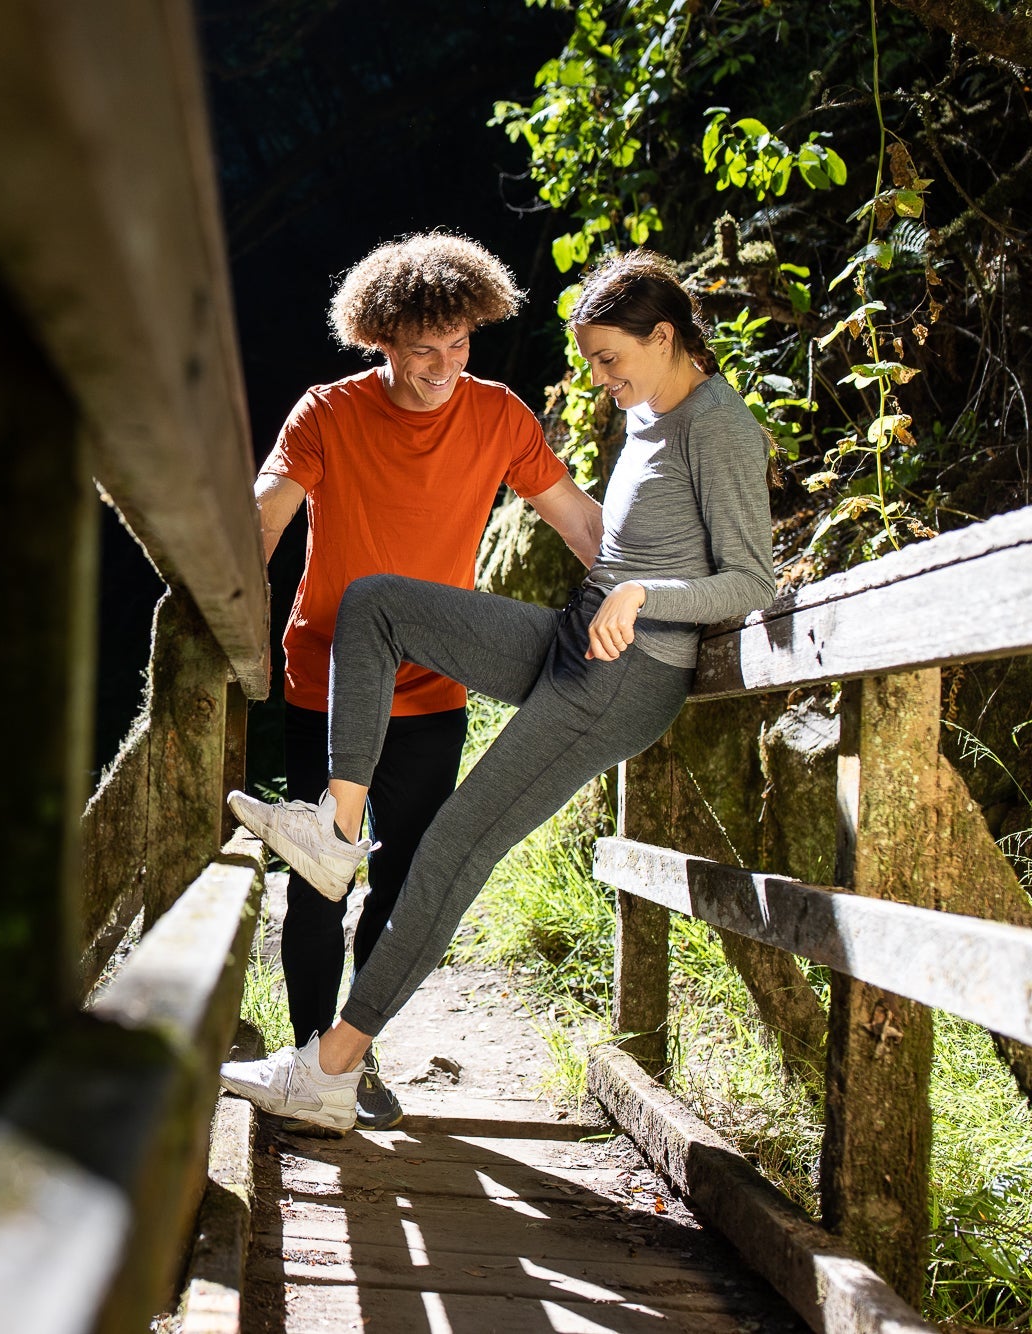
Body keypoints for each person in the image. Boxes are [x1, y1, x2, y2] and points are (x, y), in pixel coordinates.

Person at [222, 249, 777, 1133]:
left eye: (606, 360)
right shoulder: (652, 416)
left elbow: (743, 576)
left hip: (608, 674)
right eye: (421, 348)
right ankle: (332, 841)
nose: (596, 380)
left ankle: (330, 1071)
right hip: (532, 648)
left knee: (439, 855)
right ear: (381, 343)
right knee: (376, 604)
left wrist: (644, 600)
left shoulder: (711, 427)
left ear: (662, 336)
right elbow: (609, 539)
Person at [251, 231, 602, 1130]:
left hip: (433, 690)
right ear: (381, 341)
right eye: (421, 351)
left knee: (402, 883)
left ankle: (350, 1058)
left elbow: (579, 526)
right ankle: (305, 1048)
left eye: (459, 348)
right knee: (318, 879)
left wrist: (661, 584)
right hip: (325, 681)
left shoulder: (499, 418)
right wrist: (217, 590)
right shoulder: (326, 413)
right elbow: (264, 520)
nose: (443, 369)